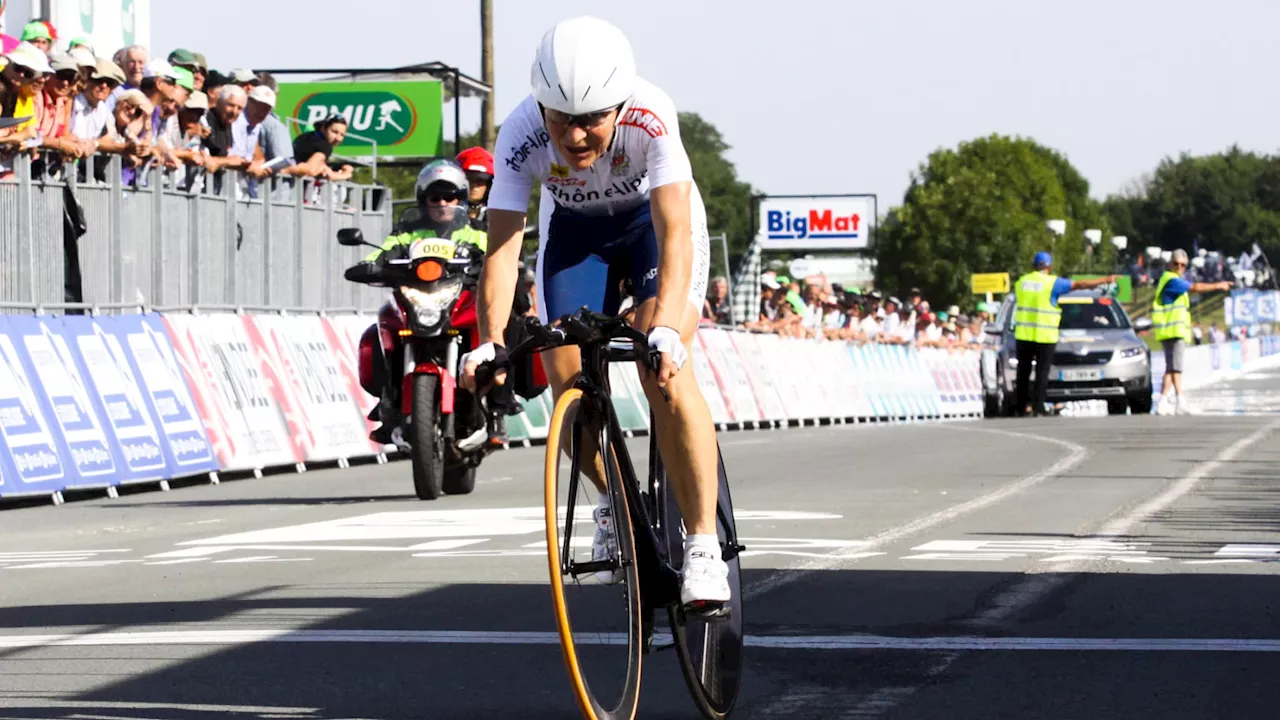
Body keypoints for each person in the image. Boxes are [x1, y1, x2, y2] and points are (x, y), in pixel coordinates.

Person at [458, 16, 728, 611]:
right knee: (566, 374)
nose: (577, 137)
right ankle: (612, 502)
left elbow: (676, 232)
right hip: (576, 234)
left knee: (665, 370)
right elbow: (503, 249)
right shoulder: (520, 133)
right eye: (562, 120)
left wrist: (664, 327)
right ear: (541, 107)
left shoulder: (651, 117)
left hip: (650, 230)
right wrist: (489, 339)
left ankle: (703, 543)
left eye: (592, 121)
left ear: (619, 105)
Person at [362, 159, 491, 447]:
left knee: (491, 332)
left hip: (458, 300)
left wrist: (490, 264)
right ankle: (389, 401)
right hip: (418, 300)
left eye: (451, 196)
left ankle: (495, 404)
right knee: (384, 329)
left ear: (461, 198)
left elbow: (495, 254)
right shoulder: (406, 234)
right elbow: (381, 254)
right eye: (435, 197)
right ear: (424, 200)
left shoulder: (476, 232)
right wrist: (368, 265)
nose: (443, 203)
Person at [1013, 252, 1115, 417]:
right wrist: (1104, 280)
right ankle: (1038, 407)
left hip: (1024, 335)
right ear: (1049, 266)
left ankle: (1021, 407)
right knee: (1041, 372)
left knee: (1022, 372)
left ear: (1034, 265)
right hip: (1045, 335)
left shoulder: (1022, 282)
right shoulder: (1052, 283)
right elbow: (1079, 284)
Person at [1152, 248, 1232, 416]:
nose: (1179, 267)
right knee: (1176, 368)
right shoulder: (1172, 280)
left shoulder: (1168, 280)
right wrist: (1219, 285)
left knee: (1171, 368)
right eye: (1176, 264)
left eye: (1182, 265)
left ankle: (1164, 400)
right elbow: (1195, 287)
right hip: (1174, 331)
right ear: (1170, 264)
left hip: (1168, 330)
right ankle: (1180, 400)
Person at [455, 146, 495, 230]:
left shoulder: (497, 214)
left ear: (488, 185)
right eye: (469, 180)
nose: (474, 186)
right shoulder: (448, 211)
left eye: (480, 181)